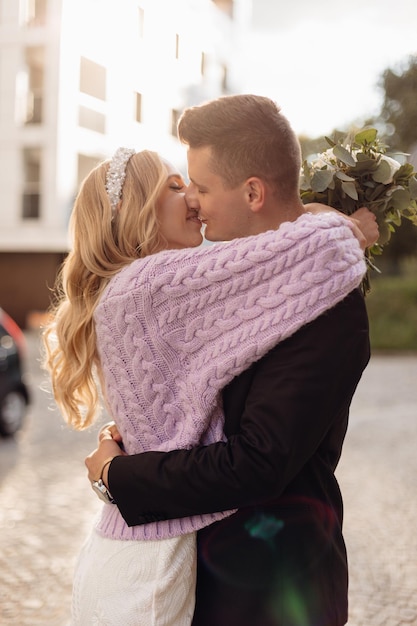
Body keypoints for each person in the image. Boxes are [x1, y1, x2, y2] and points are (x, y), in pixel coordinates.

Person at [85, 95, 378, 626]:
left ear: (252, 191)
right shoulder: (220, 287)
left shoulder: (331, 305)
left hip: (276, 591)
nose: (193, 202)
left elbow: (259, 462)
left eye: (200, 186)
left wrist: (118, 476)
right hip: (196, 579)